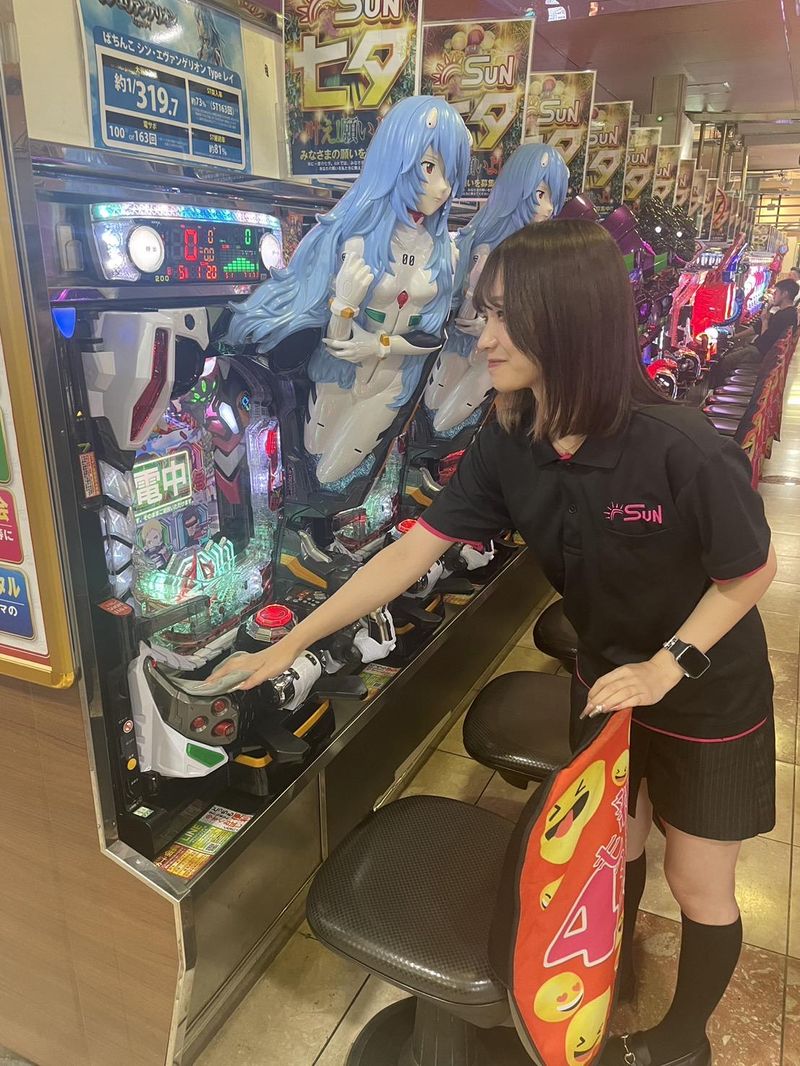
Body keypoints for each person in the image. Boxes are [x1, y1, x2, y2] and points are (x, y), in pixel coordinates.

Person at [210, 220, 777, 1066]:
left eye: (507, 315)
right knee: (609, 850)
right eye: (486, 313)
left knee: (698, 883)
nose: (485, 335)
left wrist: (668, 666)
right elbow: (414, 549)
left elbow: (751, 572)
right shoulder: (513, 439)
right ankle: (599, 982)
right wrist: (295, 639)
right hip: (607, 680)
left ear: (569, 319)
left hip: (705, 689)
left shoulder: (680, 445)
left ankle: (680, 1042)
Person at [711, 277, 799, 385]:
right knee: (728, 354)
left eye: (776, 292)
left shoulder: (785, 316)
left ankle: (719, 389)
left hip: (762, 354)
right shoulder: (786, 313)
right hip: (759, 350)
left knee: (726, 361)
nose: (774, 295)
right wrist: (734, 337)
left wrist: (765, 320)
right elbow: (756, 328)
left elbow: (765, 339)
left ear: (785, 294)